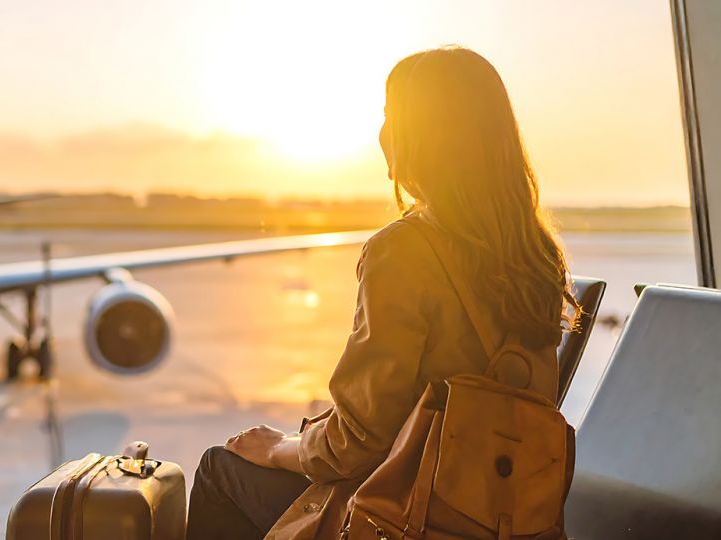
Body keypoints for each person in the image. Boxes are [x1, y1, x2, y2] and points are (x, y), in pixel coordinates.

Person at [185, 46, 581, 540]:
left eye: (391, 117)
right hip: (504, 522)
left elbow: (357, 443)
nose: (381, 134)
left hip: (408, 518)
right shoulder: (537, 255)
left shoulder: (404, 250)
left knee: (218, 469)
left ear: (421, 137)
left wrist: (280, 447)